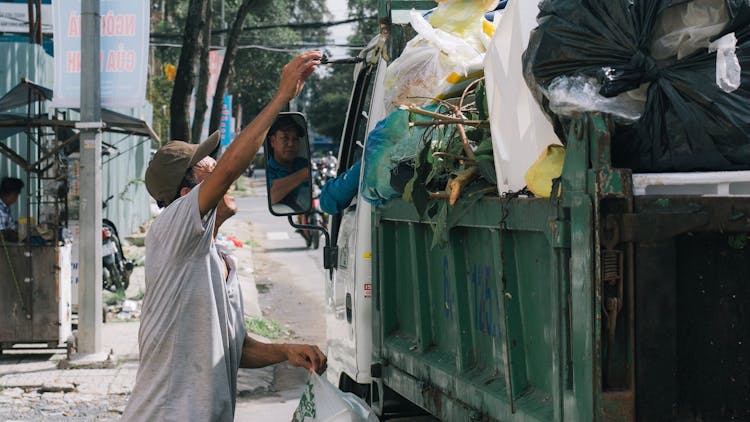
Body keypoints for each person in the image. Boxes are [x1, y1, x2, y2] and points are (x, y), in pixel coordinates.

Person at [121, 51, 326, 422]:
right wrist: (281, 98)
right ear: (186, 197)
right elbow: (232, 164)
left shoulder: (214, 257)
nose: (218, 169)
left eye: (215, 163)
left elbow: (234, 348)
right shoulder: (171, 230)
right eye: (207, 169)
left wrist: (285, 351)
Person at [266, 115, 310, 209]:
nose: (291, 144)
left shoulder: (304, 164)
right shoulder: (269, 169)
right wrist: (303, 174)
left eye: (295, 139)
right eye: (285, 138)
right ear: (273, 141)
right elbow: (272, 196)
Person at [0, 177, 24, 242]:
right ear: (7, 193)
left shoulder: (6, 208)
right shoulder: (1, 209)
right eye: (15, 195)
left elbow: (12, 226)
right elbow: (2, 234)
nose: (16, 199)